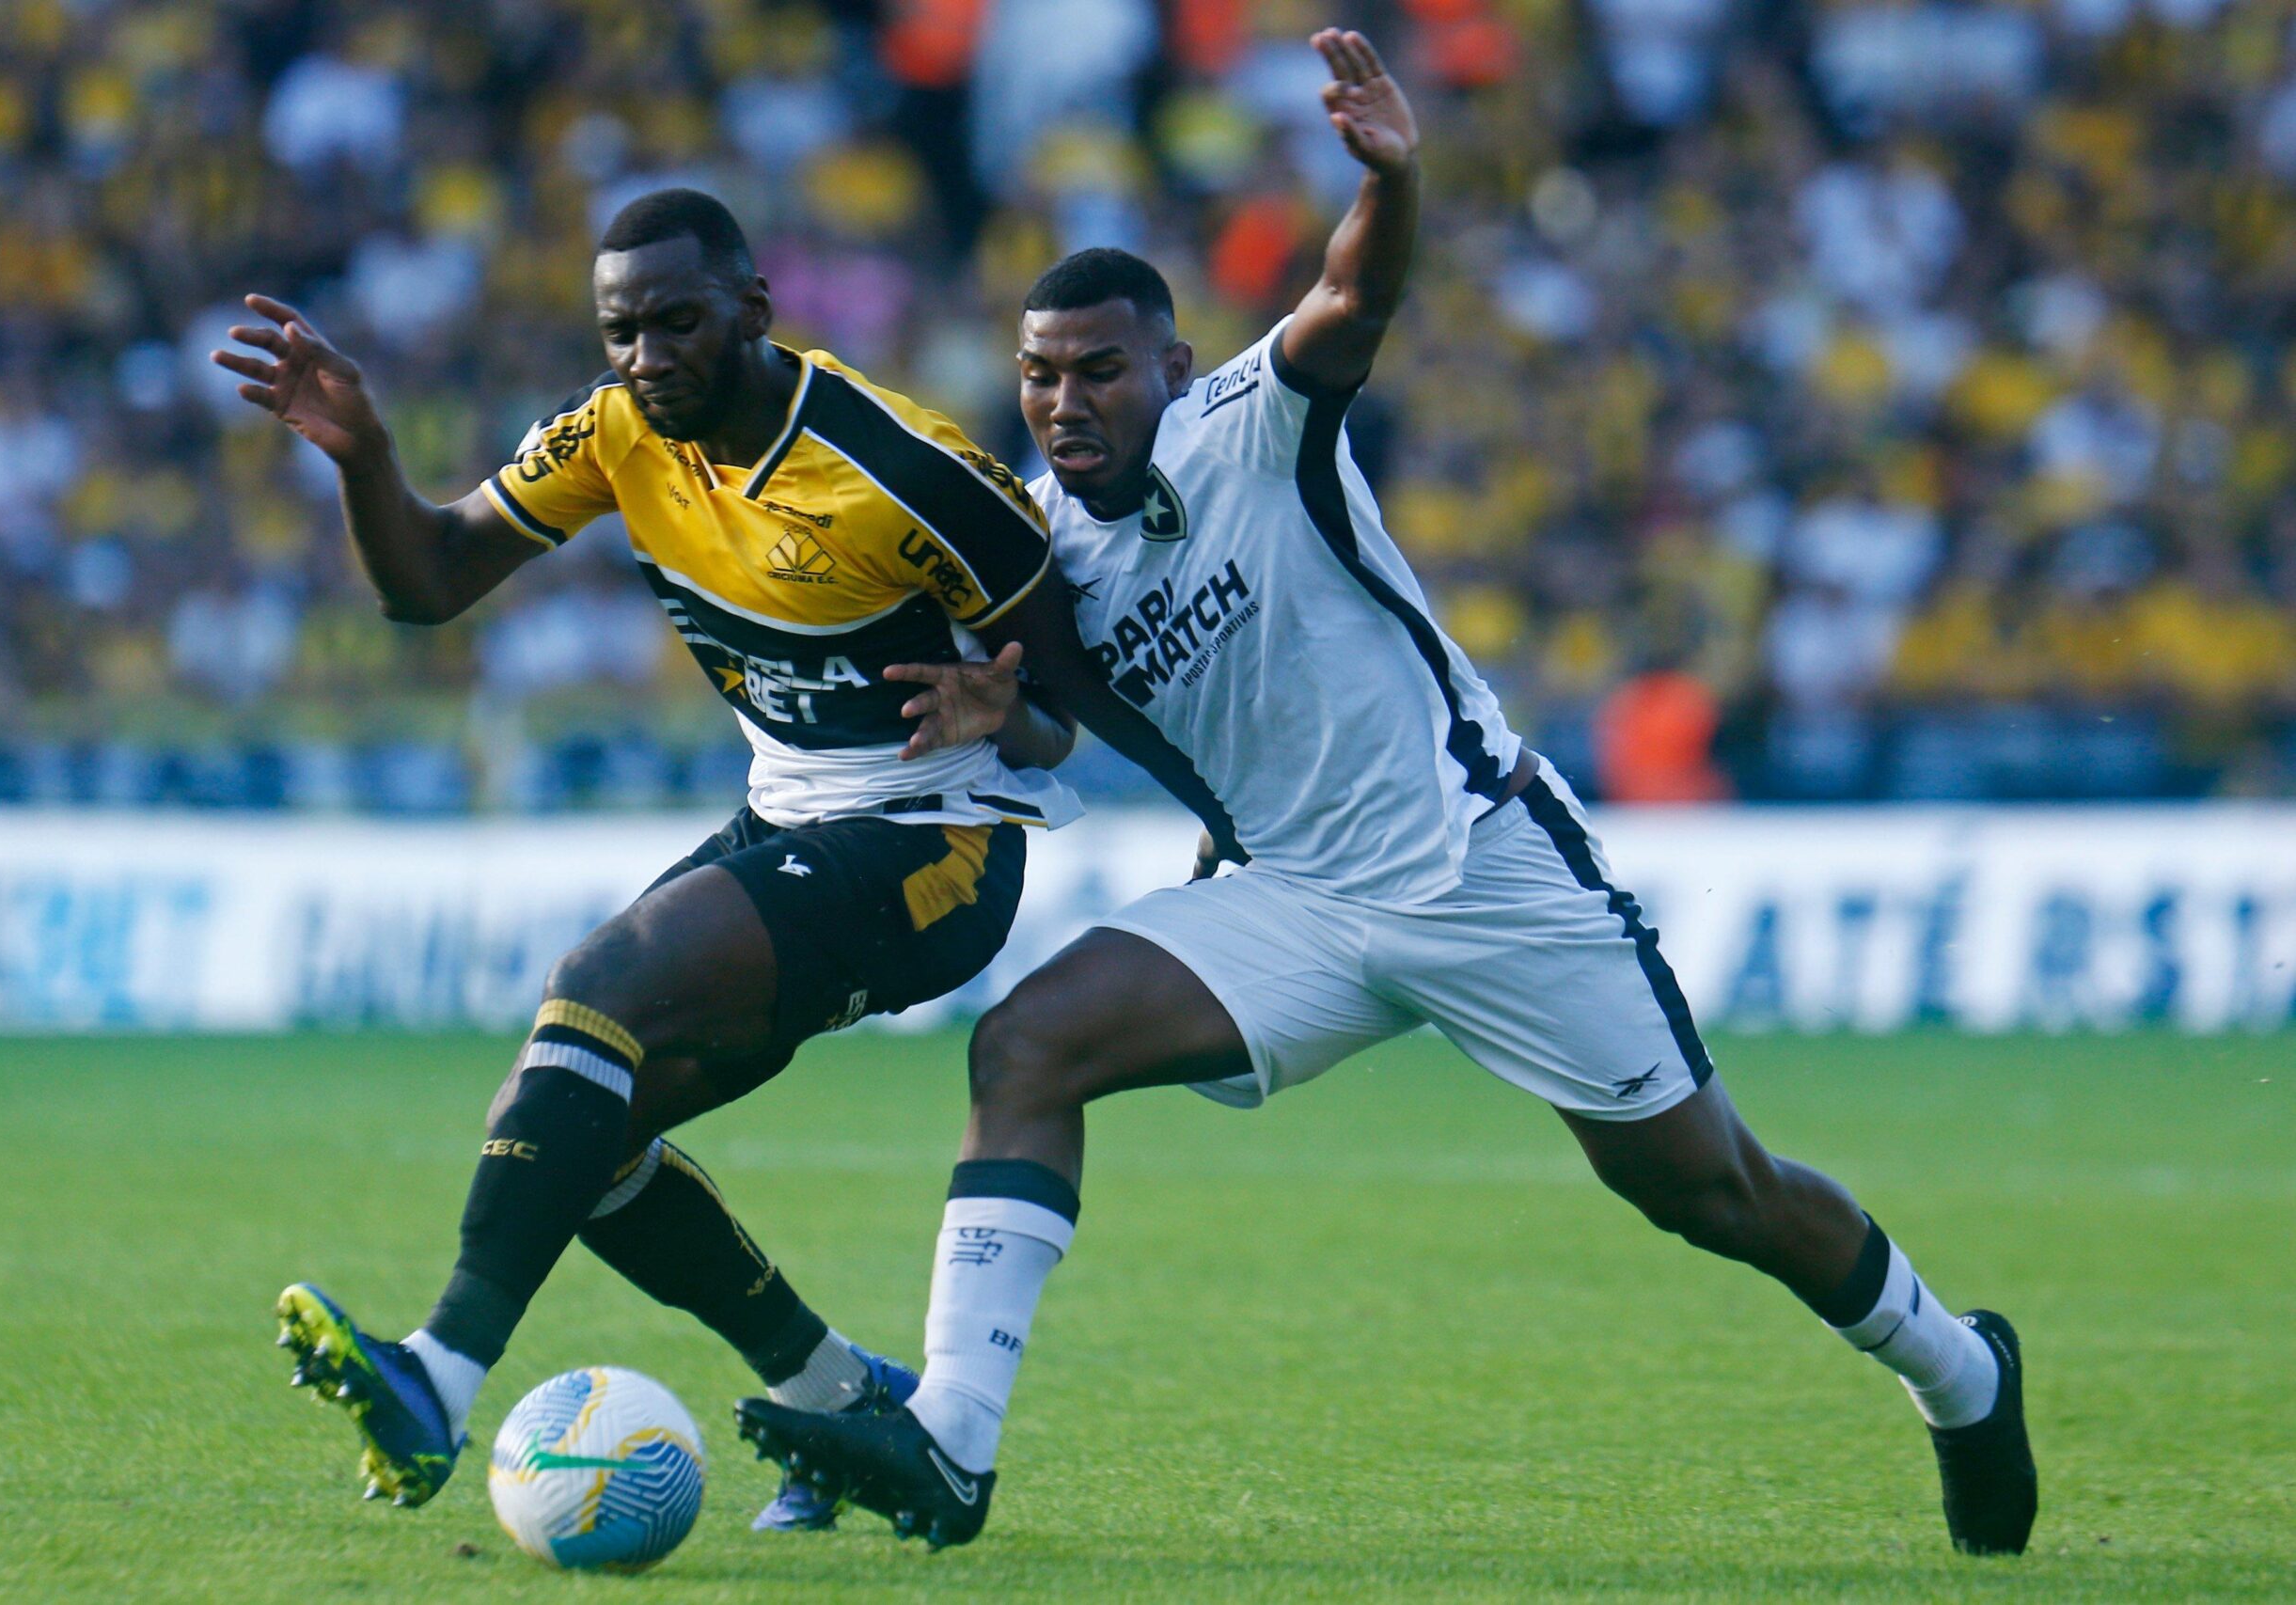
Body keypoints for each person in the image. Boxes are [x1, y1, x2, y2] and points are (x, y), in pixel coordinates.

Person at [735, 30, 2037, 1556]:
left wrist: (1393, 179)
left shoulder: (1254, 421)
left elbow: (1354, 295)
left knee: (1709, 1190)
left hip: (1479, 864)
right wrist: (996, 714)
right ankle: (951, 1443)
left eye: (1099, 368)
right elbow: (1052, 739)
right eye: (1038, 375)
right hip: (1293, 899)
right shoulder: (1034, 559)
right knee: (1029, 1045)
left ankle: (1959, 1371)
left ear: (1170, 363)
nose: (1065, 400)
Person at [215, 188, 1126, 1528]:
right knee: (570, 1128)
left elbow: (1076, 697)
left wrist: (1016, 716)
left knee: (602, 985)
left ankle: (435, 1375)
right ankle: (838, 1401)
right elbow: (426, 583)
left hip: (937, 846)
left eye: (677, 324)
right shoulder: (614, 433)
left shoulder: (909, 473)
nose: (648, 358)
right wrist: (363, 457)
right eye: (622, 332)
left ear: (753, 312)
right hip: (791, 816)